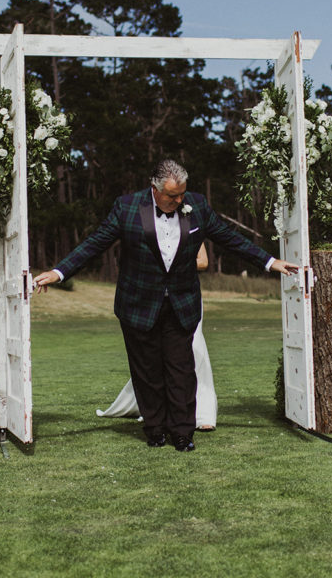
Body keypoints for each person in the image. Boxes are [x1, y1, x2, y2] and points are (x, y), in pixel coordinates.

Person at [34, 159, 297, 451]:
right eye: (172, 195)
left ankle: (183, 432)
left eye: (182, 194)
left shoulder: (196, 205)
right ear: (154, 188)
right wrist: (59, 272)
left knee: (181, 370)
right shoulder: (127, 207)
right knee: (146, 371)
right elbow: (94, 244)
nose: (178, 200)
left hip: (182, 303)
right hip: (138, 303)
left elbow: (229, 237)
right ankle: (155, 427)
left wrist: (271, 262)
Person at [97, 244, 218, 430]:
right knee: (155, 353)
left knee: (193, 349)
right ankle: (156, 410)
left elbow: (202, 262)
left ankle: (202, 412)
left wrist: (172, 265)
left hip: (184, 298)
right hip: (153, 296)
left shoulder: (192, 222)